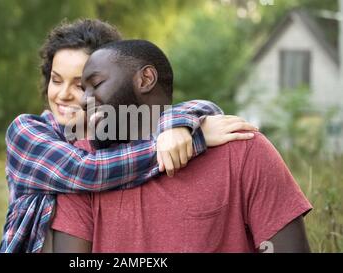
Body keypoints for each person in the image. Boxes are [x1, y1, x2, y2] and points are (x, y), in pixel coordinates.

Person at [0, 20, 257, 253]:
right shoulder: (26, 132)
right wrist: (192, 139)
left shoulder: (120, 134)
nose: (63, 94)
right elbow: (86, 171)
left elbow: (195, 108)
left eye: (79, 85)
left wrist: (177, 126)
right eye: (56, 80)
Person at [51, 40, 313, 253]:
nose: (84, 101)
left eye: (95, 85)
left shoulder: (243, 149)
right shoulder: (80, 169)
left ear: (145, 79)